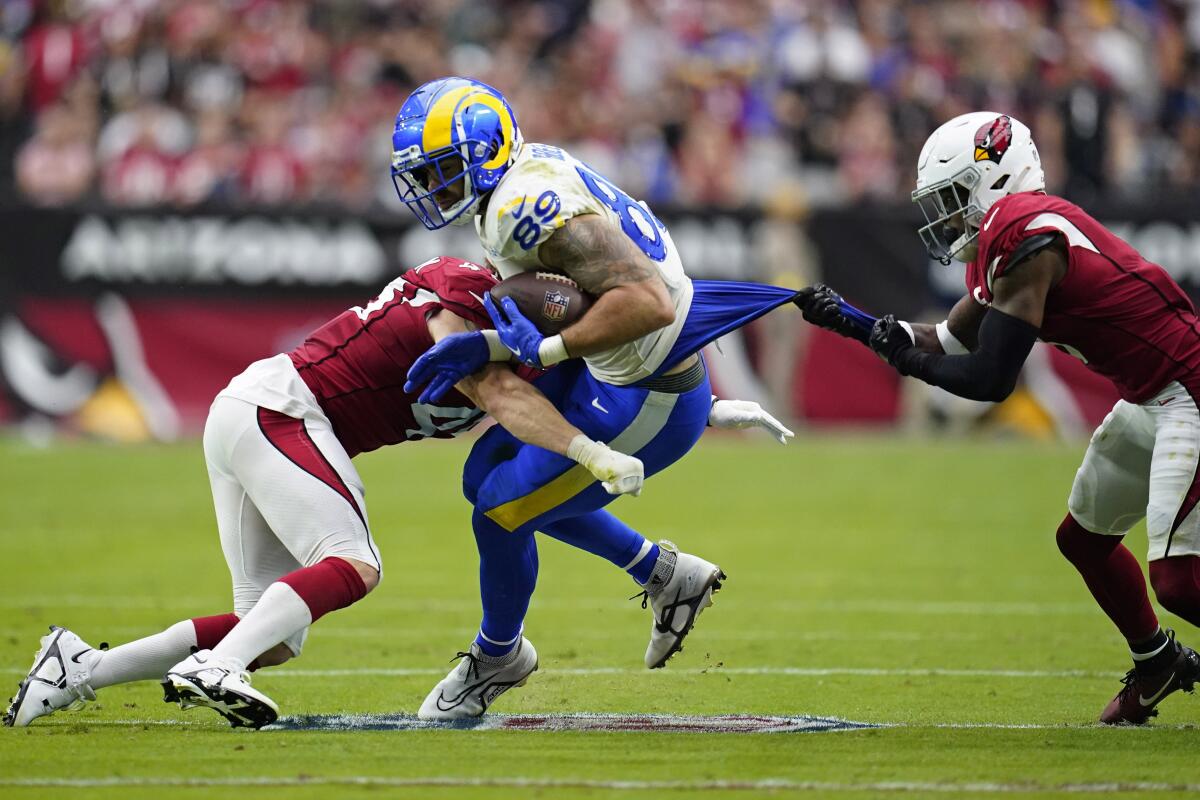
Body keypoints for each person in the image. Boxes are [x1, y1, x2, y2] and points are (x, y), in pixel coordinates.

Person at [3, 255, 651, 729]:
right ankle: (214, 666)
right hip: (282, 412)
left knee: (274, 638)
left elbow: (555, 379)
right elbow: (496, 389)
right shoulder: (466, 291)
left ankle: (78, 667)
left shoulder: (519, 344)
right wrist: (588, 453)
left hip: (254, 414)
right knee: (353, 563)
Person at [390, 77, 799, 720]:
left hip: (650, 392)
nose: (436, 190)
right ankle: (662, 573)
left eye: (445, 171)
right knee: (484, 477)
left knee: (500, 512)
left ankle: (498, 655)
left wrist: (542, 353)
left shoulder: (522, 204)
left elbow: (648, 301)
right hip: (621, 376)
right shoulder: (523, 178)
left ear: (488, 150)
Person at [796, 111, 1200, 725]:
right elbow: (945, 341)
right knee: (1083, 541)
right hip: (1151, 394)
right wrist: (852, 321)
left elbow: (989, 377)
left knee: (1178, 583)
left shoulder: (1025, 235)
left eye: (955, 197)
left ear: (995, 177)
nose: (947, 215)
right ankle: (1157, 663)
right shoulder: (1010, 237)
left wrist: (904, 360)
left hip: (1189, 389)